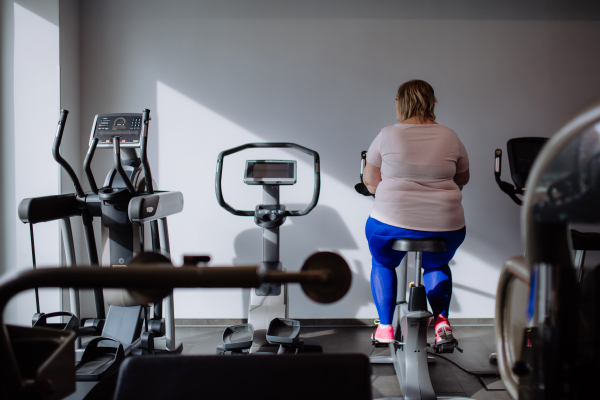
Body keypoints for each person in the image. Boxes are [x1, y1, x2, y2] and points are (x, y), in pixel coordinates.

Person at [363, 79, 469, 345]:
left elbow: (370, 180)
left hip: (391, 223)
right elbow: (462, 178)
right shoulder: (450, 136)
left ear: (401, 103)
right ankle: (441, 321)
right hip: (446, 224)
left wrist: (388, 191)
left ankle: (385, 327)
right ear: (431, 102)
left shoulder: (387, 133)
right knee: (437, 263)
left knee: (384, 262)